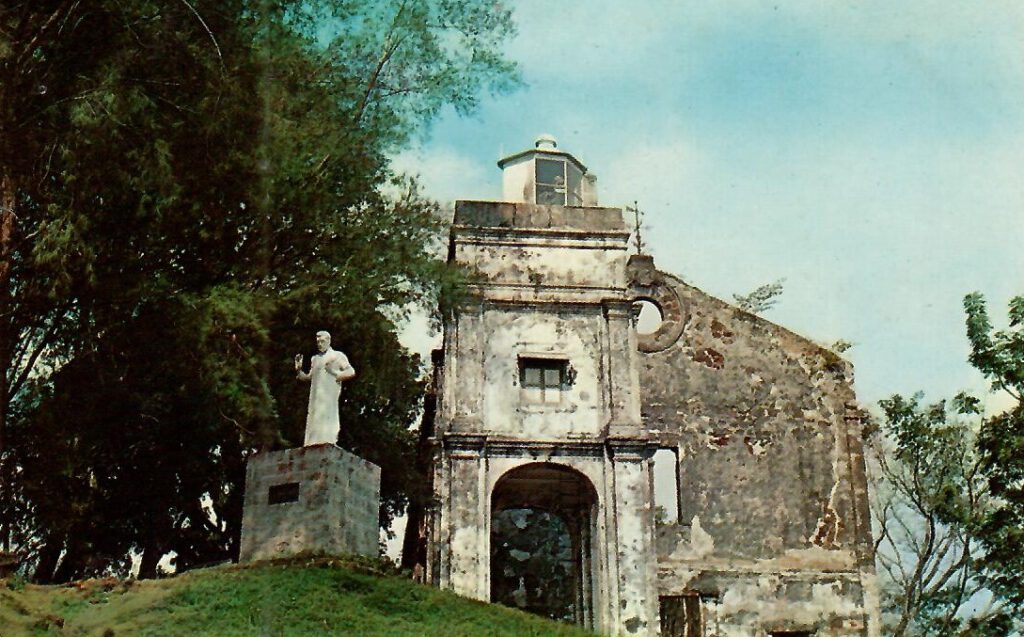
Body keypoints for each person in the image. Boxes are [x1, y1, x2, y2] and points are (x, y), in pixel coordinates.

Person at [294, 331, 355, 446]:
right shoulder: (315, 359)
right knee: (314, 416)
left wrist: (334, 373)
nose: (320, 344)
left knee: (328, 415)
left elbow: (350, 371)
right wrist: (298, 370)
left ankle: (328, 441)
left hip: (329, 393)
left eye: (322, 341)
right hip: (316, 395)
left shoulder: (337, 356)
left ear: (329, 341)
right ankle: (312, 443)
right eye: (318, 342)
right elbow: (309, 377)